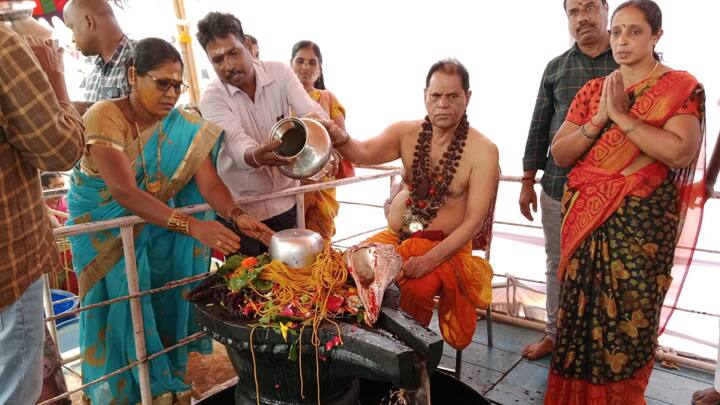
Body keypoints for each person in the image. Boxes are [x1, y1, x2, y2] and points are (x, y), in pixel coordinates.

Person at [66, 38, 273, 405]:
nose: (172, 93)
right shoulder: (105, 116)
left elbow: (208, 183)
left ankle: (161, 383)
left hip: (154, 229)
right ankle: (120, 393)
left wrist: (237, 217)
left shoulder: (184, 125)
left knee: (158, 301)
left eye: (178, 85)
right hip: (101, 233)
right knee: (114, 309)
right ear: (133, 75)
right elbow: (124, 192)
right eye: (162, 83)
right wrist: (194, 227)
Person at [544, 1, 705, 403]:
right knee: (578, 320)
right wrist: (600, 118)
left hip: (641, 229)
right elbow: (561, 153)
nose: (621, 40)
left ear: (656, 36)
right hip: (585, 222)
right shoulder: (595, 91)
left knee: (628, 322)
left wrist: (621, 116)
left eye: (634, 31)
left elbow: (680, 152)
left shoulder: (680, 87)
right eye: (616, 31)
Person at [321, 59, 497, 351]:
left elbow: (474, 222)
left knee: (413, 289)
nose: (443, 104)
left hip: (448, 248)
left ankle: (410, 361)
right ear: (424, 96)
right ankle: (365, 351)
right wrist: (340, 138)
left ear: (467, 97)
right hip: (402, 236)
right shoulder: (406, 134)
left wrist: (430, 260)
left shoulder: (483, 150)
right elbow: (362, 152)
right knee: (347, 268)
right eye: (436, 96)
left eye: (453, 96)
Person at [520, 0, 618, 360]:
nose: (582, 17)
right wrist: (528, 179)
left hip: (613, 193)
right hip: (558, 187)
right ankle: (555, 334)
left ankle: (601, 345)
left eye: (590, 7)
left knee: (608, 269)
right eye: (573, 11)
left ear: (607, 10)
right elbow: (539, 125)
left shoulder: (628, 62)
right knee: (556, 263)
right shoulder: (556, 68)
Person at [0, 25, 85, 405]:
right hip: (9, 265)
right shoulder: (3, 46)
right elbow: (60, 150)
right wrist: (55, 82)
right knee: (17, 391)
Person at [197, 12, 327, 257]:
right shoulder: (212, 97)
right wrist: (257, 155)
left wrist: (321, 130)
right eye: (217, 60)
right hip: (241, 213)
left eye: (233, 53)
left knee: (291, 280)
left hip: (286, 203)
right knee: (248, 285)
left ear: (247, 45)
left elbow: (309, 109)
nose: (228, 65)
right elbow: (236, 143)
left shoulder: (279, 73)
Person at [290, 40, 354, 241]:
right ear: (290, 65)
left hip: (322, 184)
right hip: (288, 182)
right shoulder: (280, 100)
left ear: (319, 70)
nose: (305, 67)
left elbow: (341, 138)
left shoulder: (328, 98)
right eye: (300, 61)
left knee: (319, 244)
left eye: (312, 63)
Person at [63, 0, 134, 113]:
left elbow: (150, 120)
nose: (72, 39)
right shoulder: (91, 69)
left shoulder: (141, 58)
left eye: (72, 28)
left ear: (89, 22)